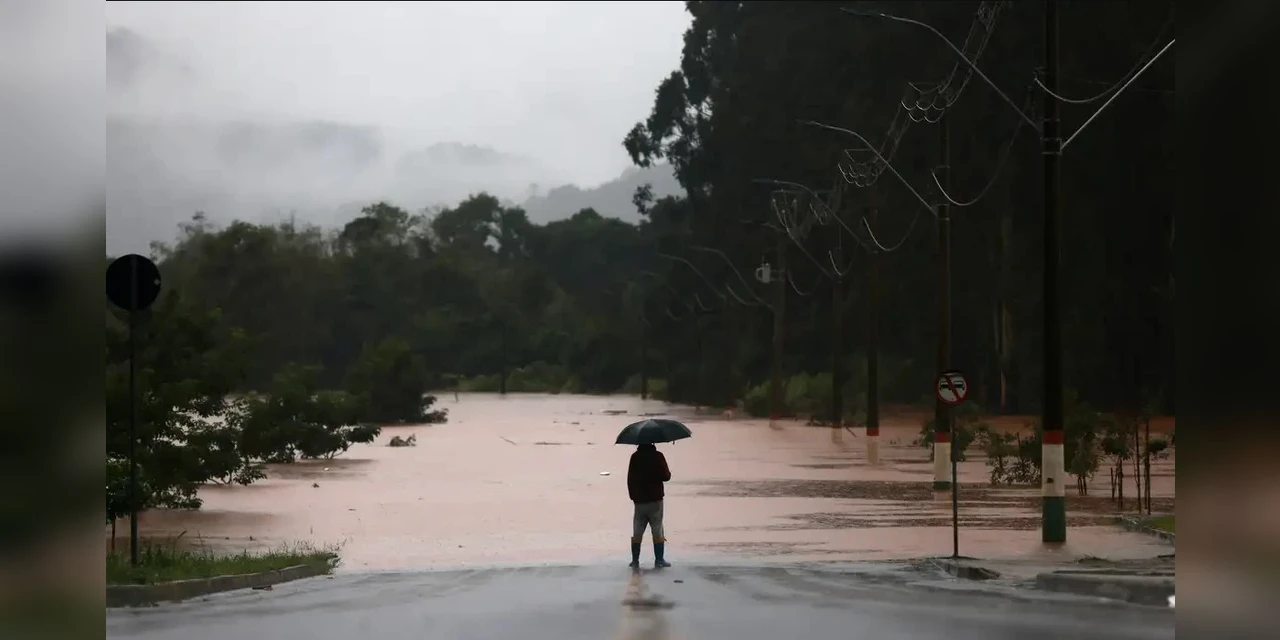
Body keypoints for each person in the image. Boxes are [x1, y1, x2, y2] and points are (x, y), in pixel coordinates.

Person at [627, 442, 672, 568]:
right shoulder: (658, 456)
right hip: (655, 500)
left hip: (639, 501)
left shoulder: (635, 457)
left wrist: (633, 497)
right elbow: (666, 476)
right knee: (657, 529)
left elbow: (630, 479)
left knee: (637, 530)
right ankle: (659, 560)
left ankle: (635, 560)